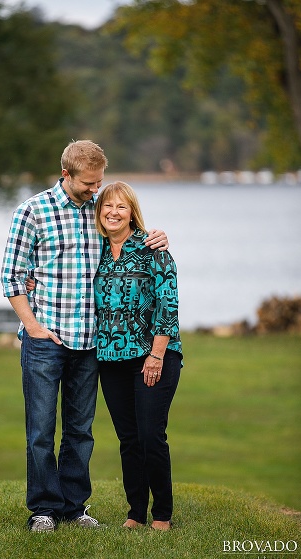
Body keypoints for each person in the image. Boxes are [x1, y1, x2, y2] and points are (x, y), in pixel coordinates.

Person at [1, 140, 168, 532]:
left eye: (99, 183)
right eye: (89, 184)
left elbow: (127, 235)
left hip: (90, 343)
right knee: (41, 430)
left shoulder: (99, 210)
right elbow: (11, 276)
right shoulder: (33, 212)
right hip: (46, 341)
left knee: (80, 431)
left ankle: (74, 507)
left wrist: (156, 237)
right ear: (66, 175)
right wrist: (34, 326)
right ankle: (43, 508)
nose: (97, 191)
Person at [93, 181, 182, 531]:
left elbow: (168, 304)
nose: (113, 213)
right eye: (107, 206)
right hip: (110, 358)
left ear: (132, 212)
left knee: (150, 434)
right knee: (128, 439)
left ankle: (162, 513)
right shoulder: (95, 250)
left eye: (121, 207)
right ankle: (135, 512)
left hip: (154, 354)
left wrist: (156, 355)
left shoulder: (152, 248)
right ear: (99, 212)